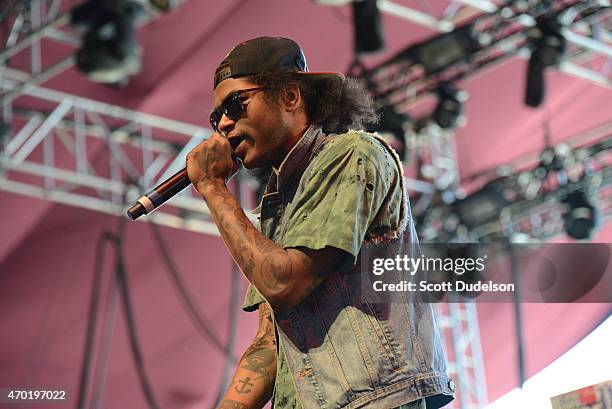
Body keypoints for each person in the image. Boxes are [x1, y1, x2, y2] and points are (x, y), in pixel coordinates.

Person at [186, 37, 454, 409]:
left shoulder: (353, 154)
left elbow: (286, 283)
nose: (225, 125)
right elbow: (269, 342)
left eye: (236, 104)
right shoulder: (278, 205)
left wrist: (212, 186)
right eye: (217, 118)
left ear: (290, 96)